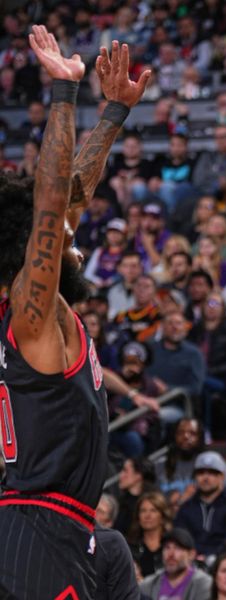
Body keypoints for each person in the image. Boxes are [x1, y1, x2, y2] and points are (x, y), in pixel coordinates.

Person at [0, 31, 150, 598]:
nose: (73, 231)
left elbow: (69, 196)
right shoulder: (30, 317)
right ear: (30, 250)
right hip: (37, 524)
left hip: (54, 522)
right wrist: (64, 93)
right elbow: (50, 200)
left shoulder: (36, 305)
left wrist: (113, 112)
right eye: (59, 234)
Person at [174, 451, 226, 561]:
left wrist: (211, 557)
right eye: (201, 472)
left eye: (212, 473)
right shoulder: (187, 507)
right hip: (190, 561)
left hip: (224, 560)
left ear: (221, 476)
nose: (205, 477)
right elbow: (180, 536)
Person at [139, 528, 213, 599]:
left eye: (177, 548)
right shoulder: (148, 584)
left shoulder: (204, 584)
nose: (171, 554)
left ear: (191, 554)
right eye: (167, 547)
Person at [127, 491, 173, 577]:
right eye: (143, 511)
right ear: (138, 516)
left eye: (153, 510)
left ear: (162, 516)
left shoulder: (173, 545)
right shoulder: (130, 547)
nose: (147, 515)